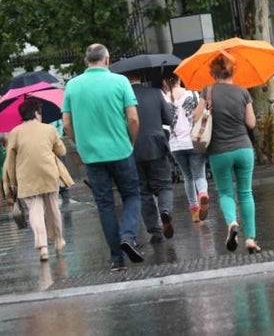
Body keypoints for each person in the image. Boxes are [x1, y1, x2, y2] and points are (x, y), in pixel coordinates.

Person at [62, 43, 144, 272]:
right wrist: (131, 142)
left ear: (85, 60)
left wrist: (81, 144)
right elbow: (134, 119)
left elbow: (67, 123)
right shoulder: (120, 82)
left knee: (104, 204)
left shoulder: (72, 86)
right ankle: (128, 236)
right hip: (121, 150)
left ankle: (117, 259)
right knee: (132, 195)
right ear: (107, 60)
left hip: (92, 156)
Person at [193, 55, 260, 254]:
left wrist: (208, 108)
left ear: (212, 73)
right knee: (246, 192)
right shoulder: (243, 92)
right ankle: (250, 239)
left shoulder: (208, 91)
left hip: (219, 151)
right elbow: (251, 123)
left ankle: (232, 223)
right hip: (243, 148)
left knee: (225, 192)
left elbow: (196, 117)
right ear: (233, 71)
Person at [2, 100, 73, 262]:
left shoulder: (14, 132)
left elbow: (10, 161)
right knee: (53, 207)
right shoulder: (49, 129)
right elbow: (61, 150)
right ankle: (58, 239)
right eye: (40, 112)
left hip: (26, 177)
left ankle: (42, 247)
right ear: (36, 113)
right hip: (49, 173)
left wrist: (13, 183)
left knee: (35, 210)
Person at [127, 71, 175, 244]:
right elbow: (169, 119)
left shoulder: (122, 97)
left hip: (133, 148)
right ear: (141, 77)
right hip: (157, 145)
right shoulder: (155, 93)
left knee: (143, 191)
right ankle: (165, 210)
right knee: (164, 186)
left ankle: (155, 232)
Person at [164, 76, 209, 223]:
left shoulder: (164, 98)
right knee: (199, 175)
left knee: (188, 177)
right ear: (179, 79)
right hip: (194, 141)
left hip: (176, 145)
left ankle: (195, 211)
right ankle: (202, 193)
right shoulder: (193, 94)